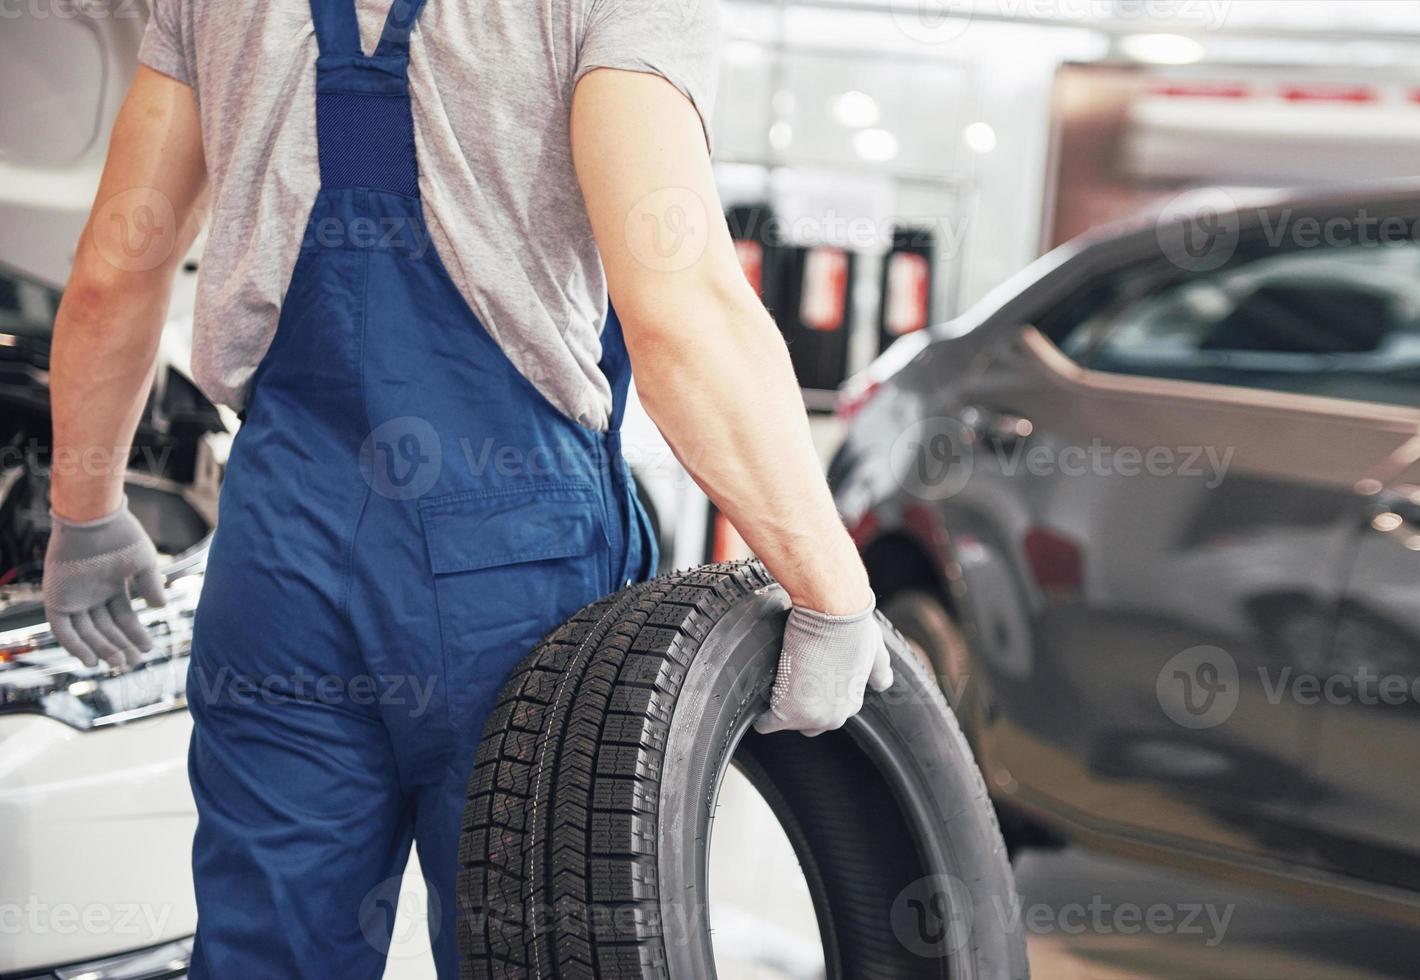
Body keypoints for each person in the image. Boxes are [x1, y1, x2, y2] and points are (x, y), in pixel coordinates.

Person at [42, 0, 891, 974]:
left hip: (281, 554)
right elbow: (677, 301)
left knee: (266, 954)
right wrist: (831, 587)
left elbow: (117, 266)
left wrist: (87, 509)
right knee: (531, 951)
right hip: (516, 568)